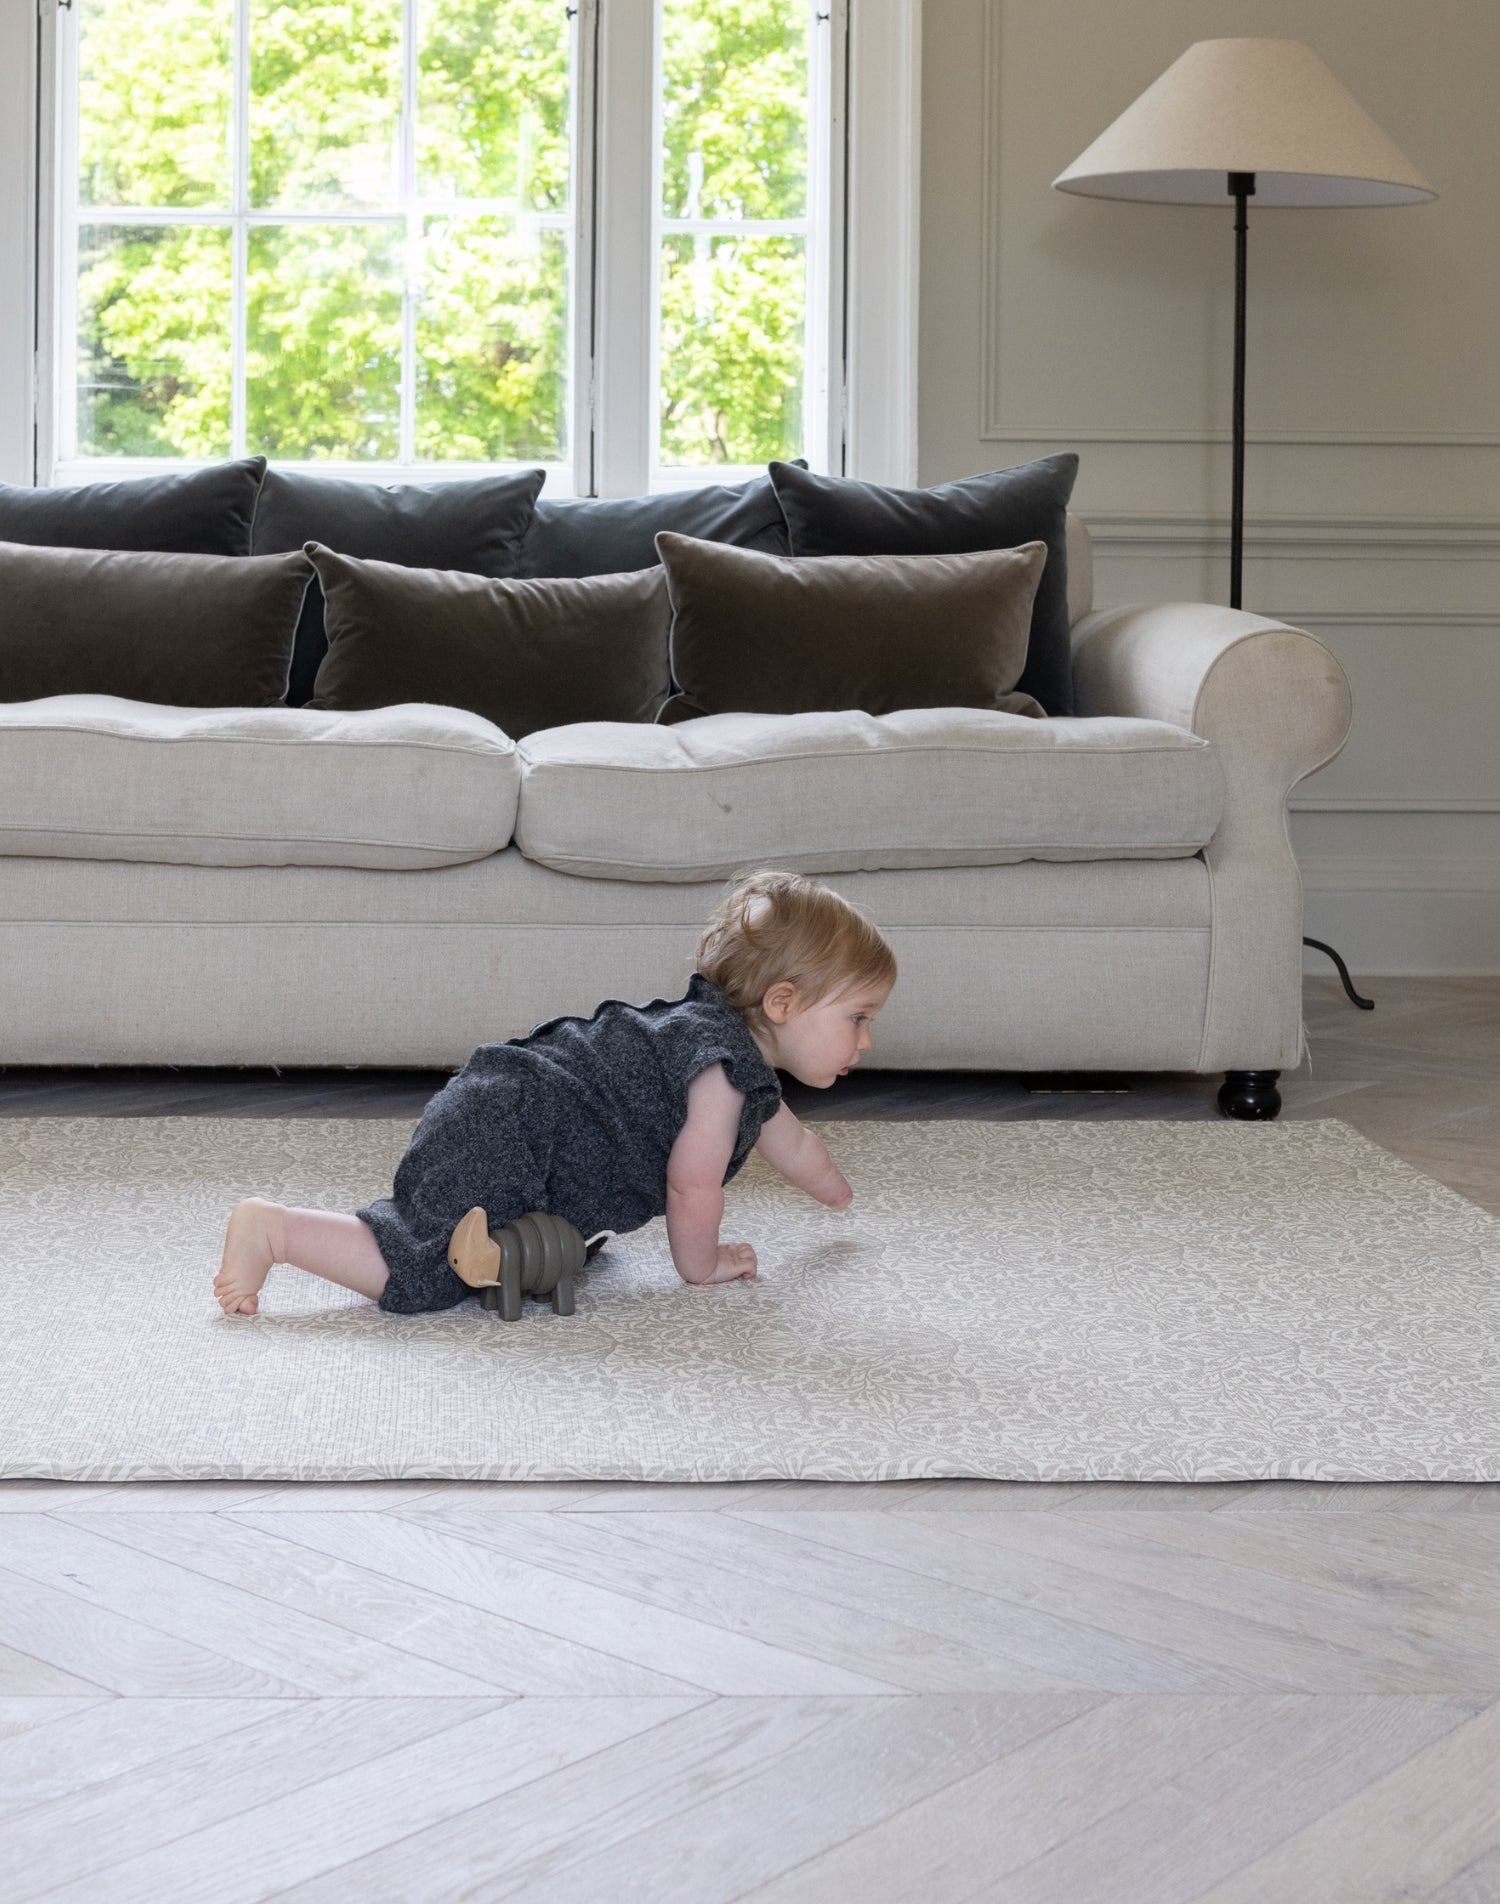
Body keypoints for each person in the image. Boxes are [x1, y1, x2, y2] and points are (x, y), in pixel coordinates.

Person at [213, 868, 897, 1317]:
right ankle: (275, 1230)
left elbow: (794, 1144)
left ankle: (297, 1231)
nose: (865, 1041)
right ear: (781, 1003)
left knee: (543, 1252)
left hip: (518, 1104)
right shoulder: (721, 1075)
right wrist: (702, 1265)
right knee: (429, 1264)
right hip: (511, 1127)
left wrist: (836, 1192)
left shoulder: (730, 1060)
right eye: (857, 1019)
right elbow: (693, 1186)